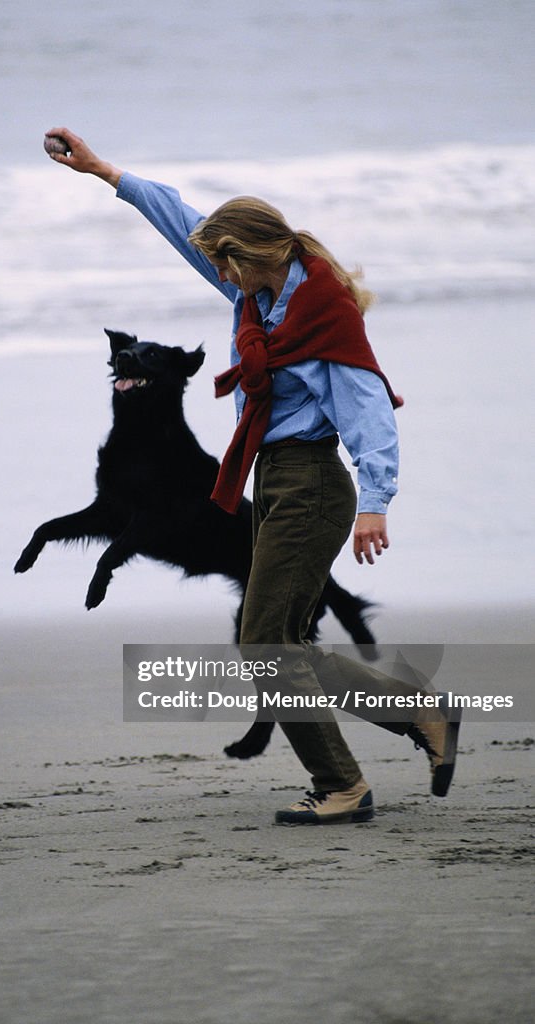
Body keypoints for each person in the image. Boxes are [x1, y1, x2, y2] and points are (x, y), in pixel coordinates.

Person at [44, 127, 461, 825]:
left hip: (313, 486)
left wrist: (376, 502)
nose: (219, 279)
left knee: (266, 642)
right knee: (281, 643)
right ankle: (421, 714)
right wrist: (104, 172)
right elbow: (184, 224)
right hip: (271, 481)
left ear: (247, 255)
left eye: (224, 267)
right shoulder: (256, 298)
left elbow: (370, 411)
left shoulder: (323, 314)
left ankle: (342, 785)